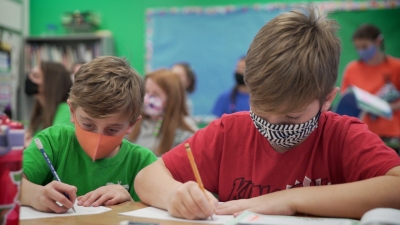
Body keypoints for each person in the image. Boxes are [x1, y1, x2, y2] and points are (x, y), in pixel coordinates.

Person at [134, 6, 400, 220]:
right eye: (260, 109)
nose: (272, 125)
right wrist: (174, 196)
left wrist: (288, 200)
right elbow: (147, 177)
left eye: (291, 117)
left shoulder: (341, 136)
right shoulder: (229, 133)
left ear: (328, 99)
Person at [21, 56, 157, 213]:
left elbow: (157, 215)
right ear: (72, 111)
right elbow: (7, 183)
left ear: (131, 124)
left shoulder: (143, 163)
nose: (98, 138)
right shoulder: (54, 142)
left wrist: (130, 203)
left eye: (112, 130)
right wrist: (36, 195)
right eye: (88, 125)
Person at [341, 24, 400, 147]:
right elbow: (346, 100)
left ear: (378, 42)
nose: (361, 51)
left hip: (393, 134)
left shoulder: (395, 67)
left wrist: (387, 107)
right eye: (357, 47)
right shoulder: (352, 69)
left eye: (365, 46)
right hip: (364, 133)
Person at [127, 69, 198, 156]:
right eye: (146, 92)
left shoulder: (186, 133)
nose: (147, 98)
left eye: (155, 94)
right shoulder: (134, 123)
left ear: (172, 98)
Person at [24, 62, 73, 147]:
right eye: (30, 75)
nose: (29, 79)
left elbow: (58, 146)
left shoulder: (65, 110)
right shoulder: (41, 111)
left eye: (35, 76)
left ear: (51, 83)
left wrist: (30, 144)